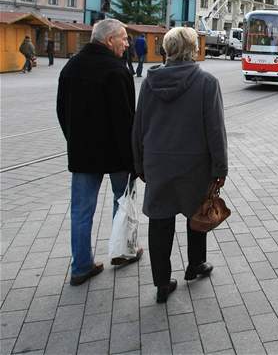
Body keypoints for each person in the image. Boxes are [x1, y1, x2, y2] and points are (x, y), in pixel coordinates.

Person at [132, 27, 228, 303]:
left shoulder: (149, 83)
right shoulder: (207, 82)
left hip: (157, 163)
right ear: (192, 50)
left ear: (167, 50)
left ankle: (162, 282)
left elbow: (139, 127)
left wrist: (139, 163)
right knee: (196, 215)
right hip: (194, 165)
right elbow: (215, 130)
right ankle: (195, 264)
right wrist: (220, 169)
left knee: (160, 221)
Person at [56, 19, 142, 287]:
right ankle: (123, 252)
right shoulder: (117, 71)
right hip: (117, 154)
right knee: (123, 204)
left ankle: (81, 266)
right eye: (124, 38)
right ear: (109, 41)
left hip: (83, 153)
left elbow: (61, 111)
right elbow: (126, 119)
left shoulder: (71, 67)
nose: (127, 44)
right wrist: (133, 158)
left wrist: (74, 140)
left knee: (81, 211)